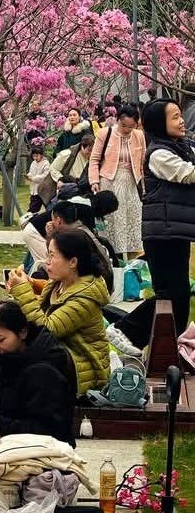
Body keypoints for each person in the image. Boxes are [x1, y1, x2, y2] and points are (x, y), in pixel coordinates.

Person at [107, 99, 195, 357]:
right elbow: (187, 174)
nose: (182, 121)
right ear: (160, 123)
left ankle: (167, 348)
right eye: (175, 117)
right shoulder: (159, 154)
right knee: (171, 293)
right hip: (162, 234)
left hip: (175, 231)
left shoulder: (180, 147)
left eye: (181, 116)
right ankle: (126, 329)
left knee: (179, 297)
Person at [7, 230, 110, 394]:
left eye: (52, 256)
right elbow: (41, 312)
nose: (46, 262)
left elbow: (46, 331)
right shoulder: (59, 283)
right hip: (62, 357)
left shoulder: (85, 298)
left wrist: (22, 290)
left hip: (82, 369)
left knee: (36, 353)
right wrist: (30, 284)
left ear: (73, 262)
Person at [0, 302, 77, 445]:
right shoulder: (0, 361)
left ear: (22, 333)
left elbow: (49, 430)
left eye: (0, 339)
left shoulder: (44, 373)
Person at [89, 103, 145, 259]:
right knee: (113, 219)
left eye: (131, 126)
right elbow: (94, 159)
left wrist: (144, 186)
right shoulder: (104, 133)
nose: (127, 129)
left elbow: (142, 163)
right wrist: (94, 180)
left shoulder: (139, 135)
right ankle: (113, 256)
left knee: (133, 221)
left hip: (131, 183)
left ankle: (134, 258)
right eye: (124, 125)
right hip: (109, 181)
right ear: (118, 120)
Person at [49, 133, 95, 197]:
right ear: (82, 146)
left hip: (81, 190)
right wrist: (61, 180)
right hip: (66, 188)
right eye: (89, 150)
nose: (91, 153)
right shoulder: (67, 154)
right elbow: (53, 168)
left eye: (93, 151)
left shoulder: (94, 158)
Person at [26, 147, 52, 213]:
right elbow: (31, 172)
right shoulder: (33, 163)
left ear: (41, 155)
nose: (35, 158)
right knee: (33, 208)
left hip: (43, 190)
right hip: (34, 190)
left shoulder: (46, 163)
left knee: (48, 207)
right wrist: (28, 176)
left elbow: (45, 176)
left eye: (37, 156)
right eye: (33, 156)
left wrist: (33, 178)